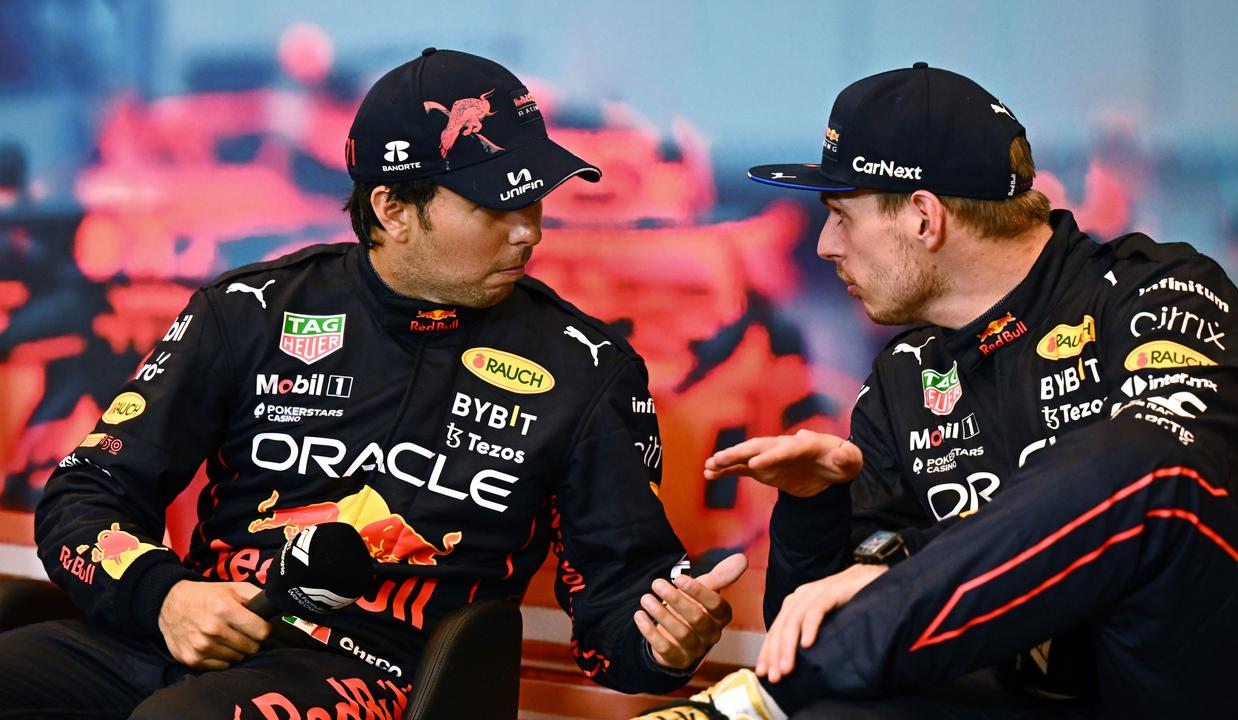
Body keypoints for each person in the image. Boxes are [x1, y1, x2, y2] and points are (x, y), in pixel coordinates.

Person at [0, 48, 745, 718]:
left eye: (535, 198)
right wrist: (165, 596)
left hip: (377, 674)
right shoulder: (250, 311)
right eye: (496, 206)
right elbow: (85, 495)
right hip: (190, 633)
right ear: (391, 208)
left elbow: (616, 617)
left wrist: (665, 642)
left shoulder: (587, 368)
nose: (531, 231)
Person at [639, 63, 1238, 719]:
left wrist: (904, 570)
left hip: (1195, 684)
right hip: (1025, 697)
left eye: (839, 214)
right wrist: (814, 510)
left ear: (923, 216)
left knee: (1148, 464)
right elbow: (817, 637)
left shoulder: (1160, 293)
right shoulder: (905, 376)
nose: (826, 245)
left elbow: (1164, 489)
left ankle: (744, 712)